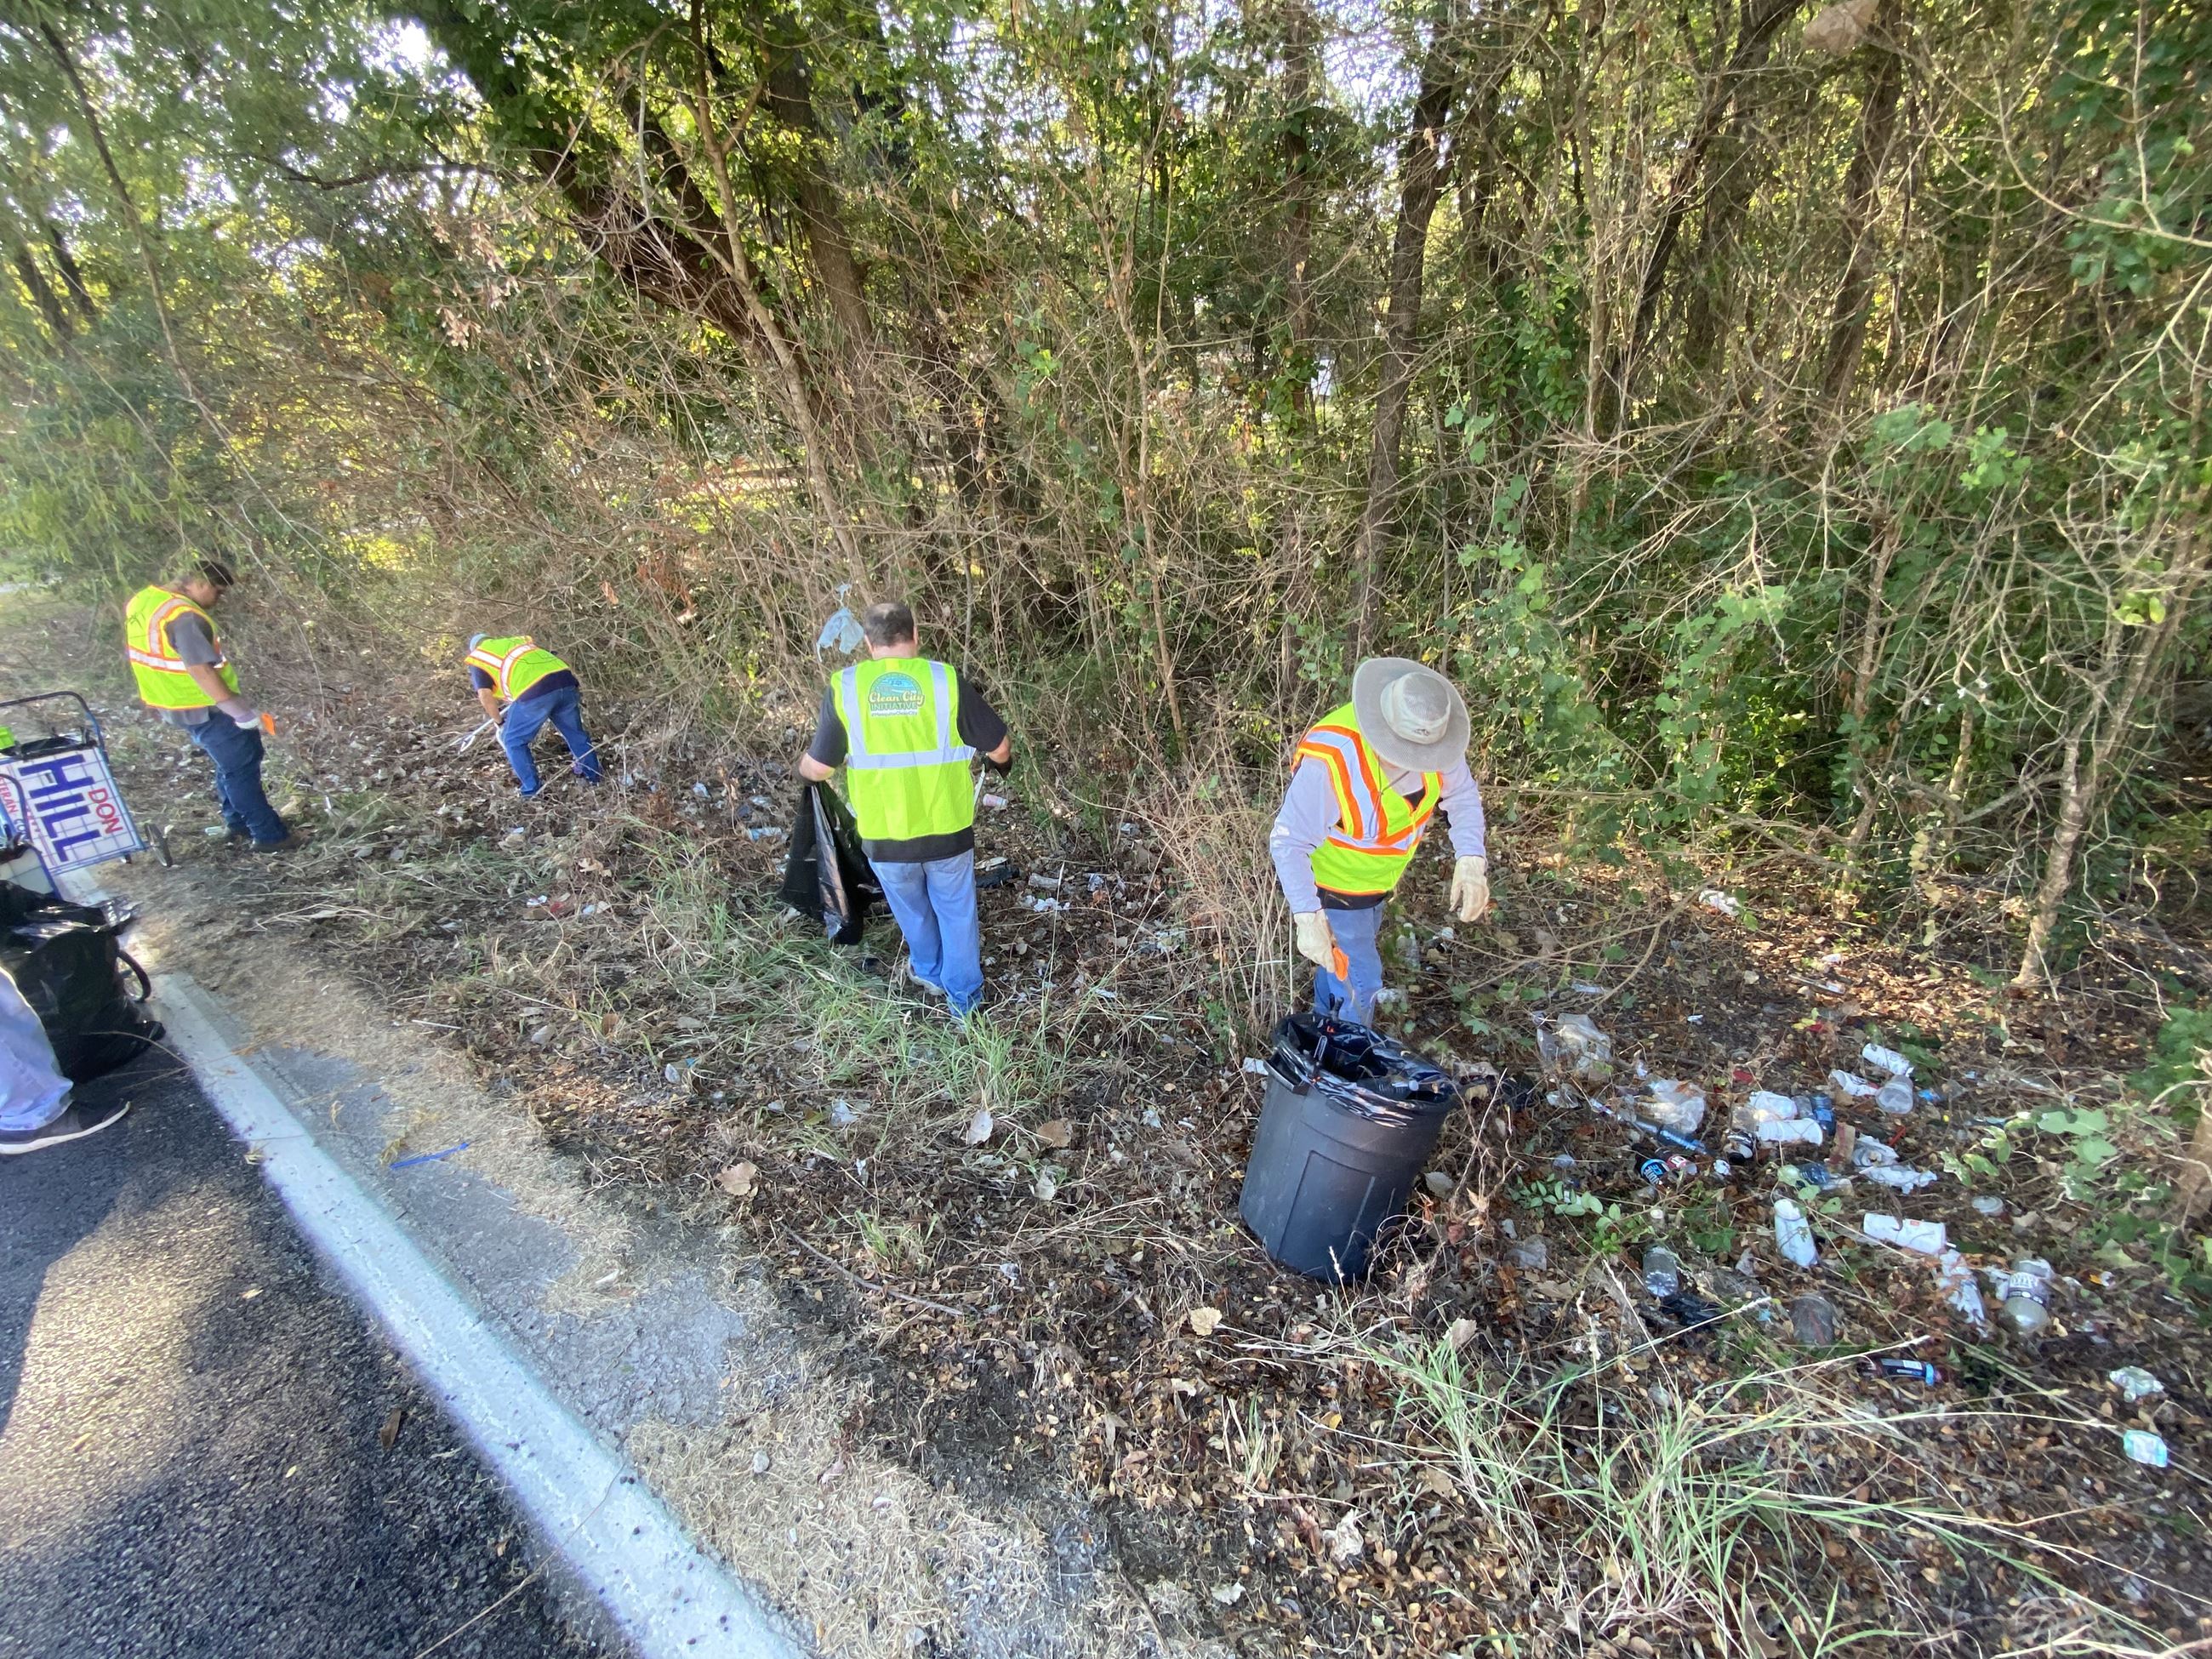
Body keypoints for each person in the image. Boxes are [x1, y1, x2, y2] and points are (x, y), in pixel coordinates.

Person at [797, 601, 1012, 1017]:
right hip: (946, 828)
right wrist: (1001, 764)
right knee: (956, 910)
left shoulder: (846, 688)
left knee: (911, 909)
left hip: (885, 835)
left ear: (868, 642)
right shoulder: (944, 681)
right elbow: (999, 745)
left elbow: (819, 768)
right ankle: (964, 1000)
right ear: (915, 636)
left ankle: (929, 971)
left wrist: (801, 772)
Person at [1269, 658, 1492, 1026]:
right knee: (1361, 981)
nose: (1419, 763)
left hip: (1376, 888)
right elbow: (1287, 840)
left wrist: (1471, 859)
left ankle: (1323, 1037)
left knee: (1337, 964)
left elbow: (1463, 795)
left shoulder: (1436, 736)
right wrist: (1308, 917)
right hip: (1334, 890)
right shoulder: (1334, 759)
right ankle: (1345, 1064)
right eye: (1406, 753)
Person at [123, 559, 292, 850]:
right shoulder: (184, 617)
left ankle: (237, 823)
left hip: (175, 704)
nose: (218, 600)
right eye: (217, 591)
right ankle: (268, 836)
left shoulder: (145, 600)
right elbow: (200, 669)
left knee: (228, 765)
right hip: (207, 707)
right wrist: (236, 709)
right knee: (241, 768)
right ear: (199, 583)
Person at [465, 634, 603, 797]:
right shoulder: (514, 643)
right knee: (575, 734)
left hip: (535, 691)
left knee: (513, 741)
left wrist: (499, 722)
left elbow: (484, 695)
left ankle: (531, 791)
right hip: (565, 681)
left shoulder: (480, 657)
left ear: (475, 648)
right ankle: (595, 777)